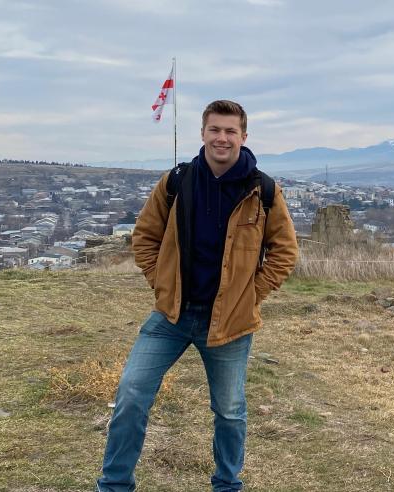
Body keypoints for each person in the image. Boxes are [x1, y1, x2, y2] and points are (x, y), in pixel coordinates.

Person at [96, 100, 299, 492]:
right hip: (171, 316)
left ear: (243, 136)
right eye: (215, 130)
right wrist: (161, 282)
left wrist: (251, 294)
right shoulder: (177, 181)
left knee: (230, 411)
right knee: (131, 396)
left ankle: (227, 485)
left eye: (230, 131)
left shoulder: (264, 190)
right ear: (203, 133)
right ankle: (114, 485)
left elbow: (285, 251)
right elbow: (145, 236)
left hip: (230, 322)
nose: (222, 138)